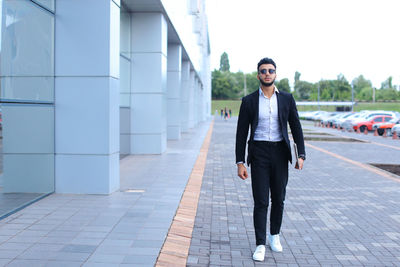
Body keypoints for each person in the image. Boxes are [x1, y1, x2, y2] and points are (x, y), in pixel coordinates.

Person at [235, 57, 305, 262]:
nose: (267, 73)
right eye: (263, 71)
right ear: (258, 75)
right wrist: (240, 162)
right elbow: (241, 133)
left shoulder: (286, 99)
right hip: (258, 153)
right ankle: (260, 244)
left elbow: (296, 127)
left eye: (271, 70)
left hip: (280, 153)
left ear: (275, 74)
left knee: (279, 198)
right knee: (261, 200)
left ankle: (275, 235)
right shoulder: (248, 101)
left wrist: (301, 154)